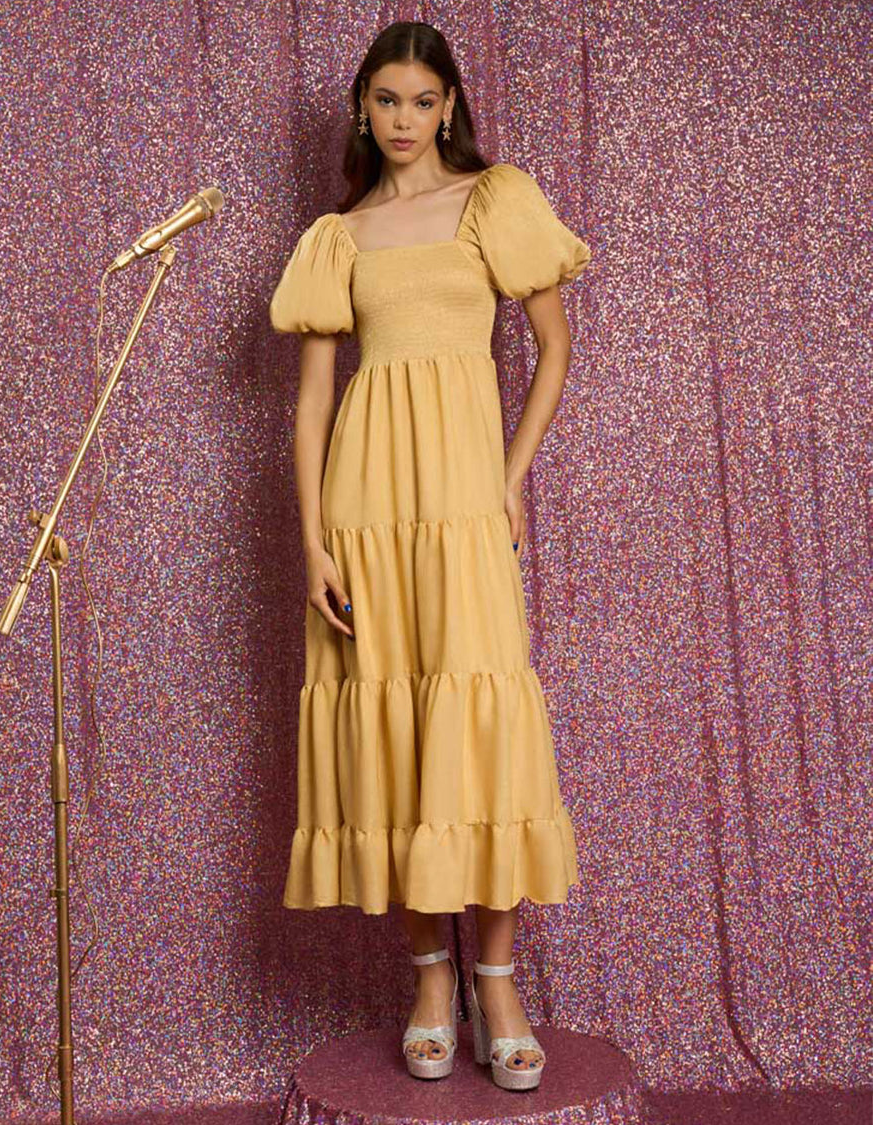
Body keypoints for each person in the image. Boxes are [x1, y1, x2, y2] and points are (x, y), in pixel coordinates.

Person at [269, 19, 592, 1093]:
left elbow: (553, 347)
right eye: (385, 100)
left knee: (476, 722)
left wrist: (509, 477)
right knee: (397, 729)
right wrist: (312, 539)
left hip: (461, 500)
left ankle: (497, 985)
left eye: (421, 99)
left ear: (448, 105)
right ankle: (430, 984)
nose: (403, 119)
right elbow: (313, 403)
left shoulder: (495, 200)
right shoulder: (337, 237)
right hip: (364, 506)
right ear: (362, 110)